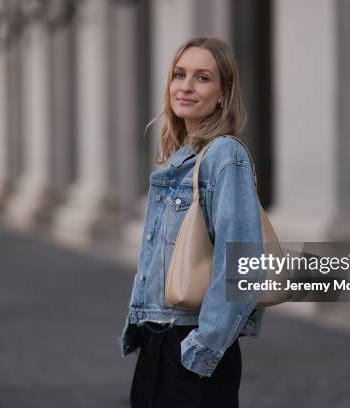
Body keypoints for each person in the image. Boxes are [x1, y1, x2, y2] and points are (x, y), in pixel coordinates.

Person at [120, 37, 264, 408]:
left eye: (202, 78)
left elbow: (243, 266)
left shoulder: (225, 156)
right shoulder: (182, 158)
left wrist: (203, 349)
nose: (185, 86)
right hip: (156, 342)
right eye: (179, 74)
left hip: (190, 346)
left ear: (223, 94)